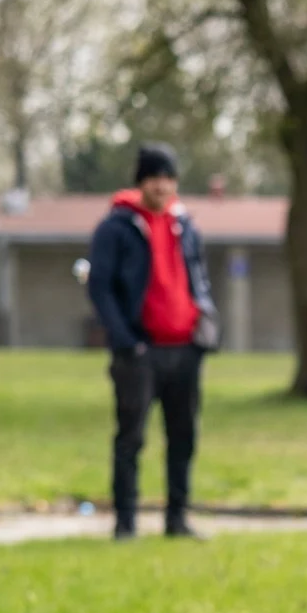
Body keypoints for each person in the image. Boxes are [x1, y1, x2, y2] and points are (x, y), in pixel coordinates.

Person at [86, 143, 220, 540]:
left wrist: (206, 321)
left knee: (183, 437)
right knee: (131, 437)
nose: (162, 186)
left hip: (185, 349)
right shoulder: (116, 228)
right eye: (155, 178)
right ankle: (126, 522)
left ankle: (177, 518)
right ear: (142, 182)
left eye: (168, 178)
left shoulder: (186, 226)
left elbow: (199, 277)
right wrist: (126, 340)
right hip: (139, 352)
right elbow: (100, 288)